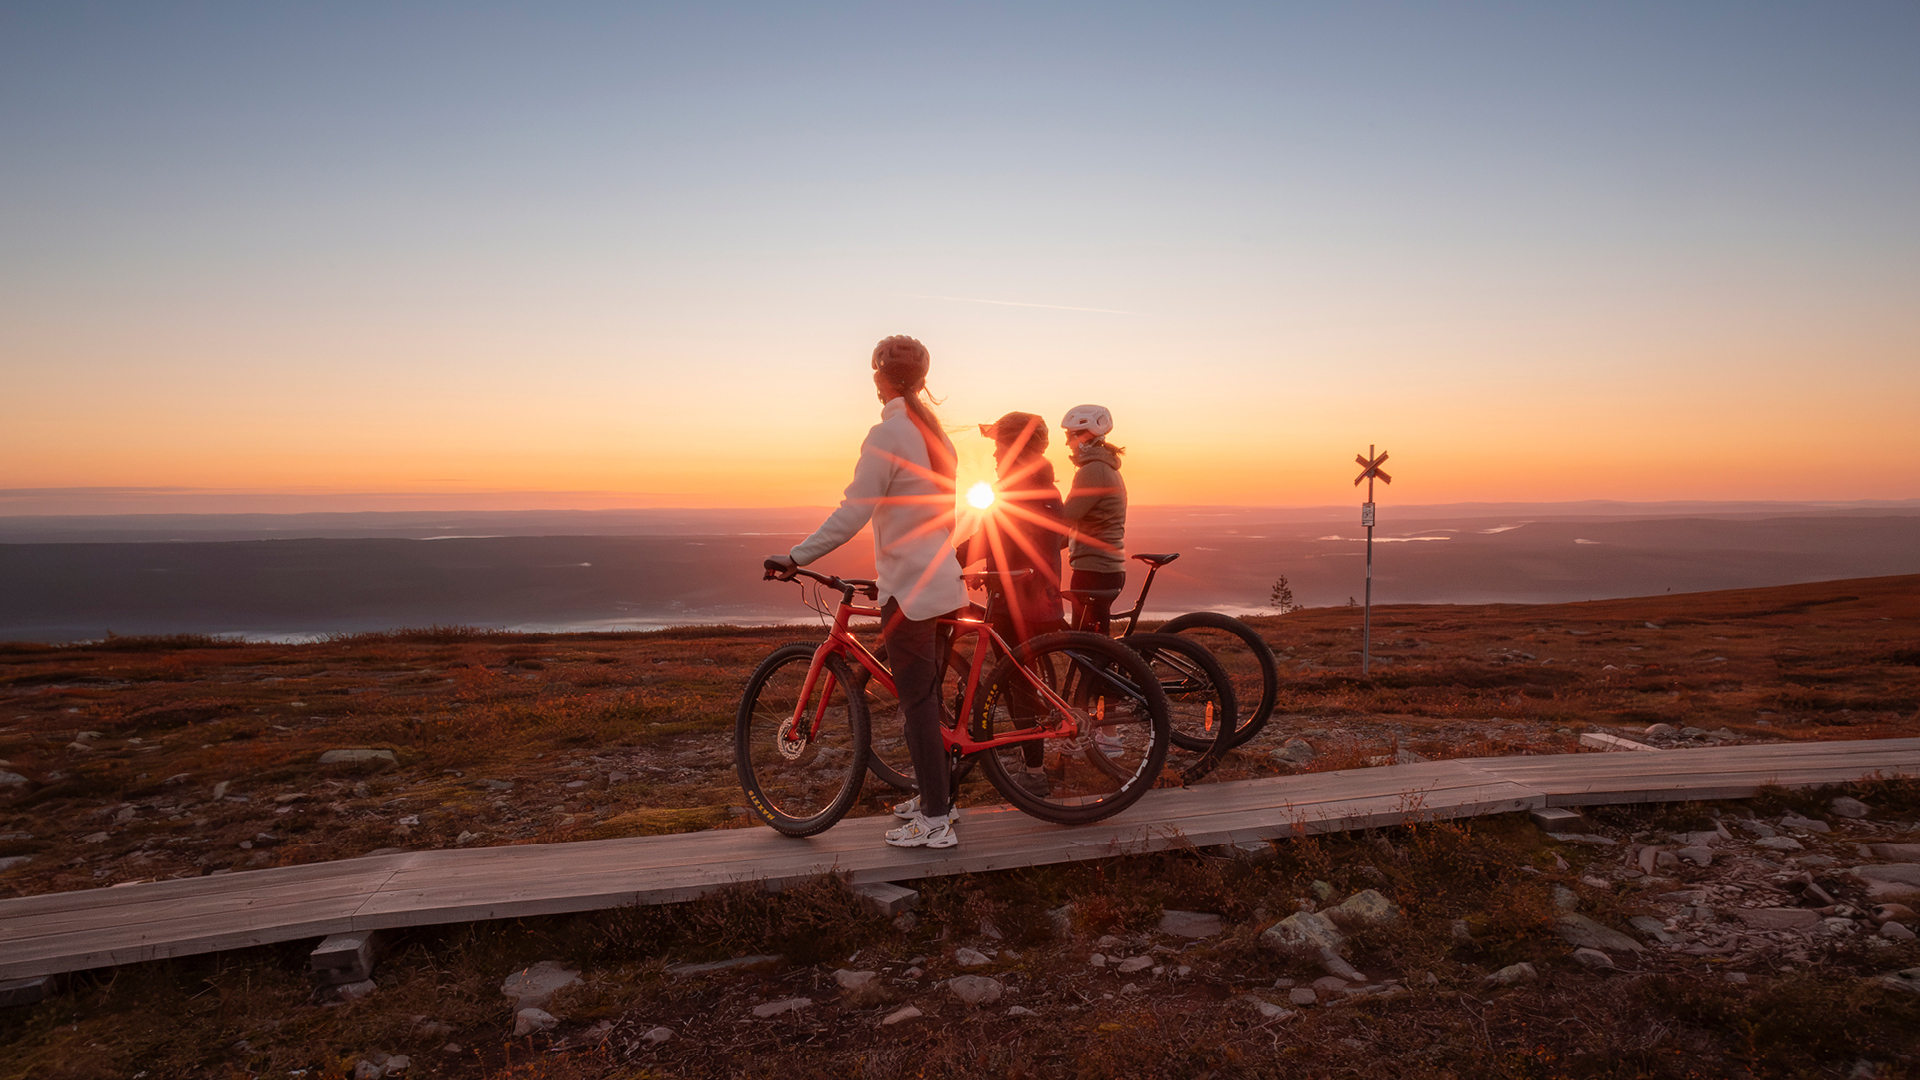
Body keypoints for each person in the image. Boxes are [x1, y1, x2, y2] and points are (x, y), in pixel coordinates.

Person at [767, 336, 967, 849]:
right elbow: (944, 516)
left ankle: (936, 821)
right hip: (941, 581)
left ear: (879, 379)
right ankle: (939, 798)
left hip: (911, 592)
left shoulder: (888, 433)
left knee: (917, 705)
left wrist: (797, 557)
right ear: (921, 380)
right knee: (926, 698)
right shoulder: (937, 438)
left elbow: (854, 511)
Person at [962, 412, 1069, 796]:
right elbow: (1058, 538)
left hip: (1015, 603)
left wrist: (945, 561)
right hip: (1040, 599)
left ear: (1016, 450)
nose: (994, 454)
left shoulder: (1015, 490)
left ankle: (1034, 772)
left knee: (1018, 687)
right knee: (1021, 683)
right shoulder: (1047, 489)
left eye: (999, 446)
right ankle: (1031, 757)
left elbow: (987, 538)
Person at [1059, 403, 1127, 632]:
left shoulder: (1094, 470)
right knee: (1094, 641)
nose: (1067, 443)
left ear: (1083, 436)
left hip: (1094, 572)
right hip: (1105, 570)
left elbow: (1064, 520)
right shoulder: (1107, 467)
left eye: (1069, 436)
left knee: (1086, 644)